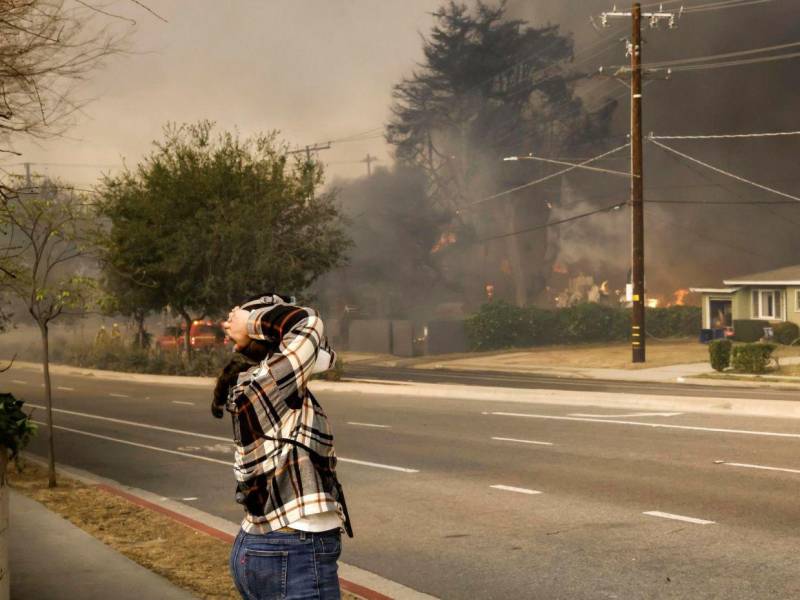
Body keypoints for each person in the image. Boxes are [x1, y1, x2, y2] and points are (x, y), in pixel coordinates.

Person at [215, 293, 352, 600]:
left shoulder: (265, 379)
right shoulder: (273, 382)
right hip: (293, 550)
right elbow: (309, 322)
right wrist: (247, 322)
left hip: (267, 548)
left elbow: (326, 355)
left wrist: (254, 323)